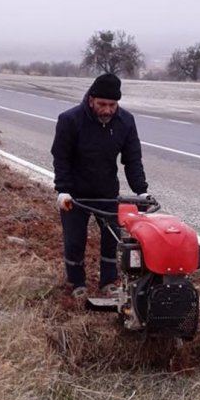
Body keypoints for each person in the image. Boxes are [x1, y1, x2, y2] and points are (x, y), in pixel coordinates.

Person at [51, 73, 148, 298]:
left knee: (111, 240)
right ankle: (76, 284)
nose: (107, 110)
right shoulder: (70, 120)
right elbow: (61, 157)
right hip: (75, 195)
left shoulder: (125, 121)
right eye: (102, 104)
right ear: (91, 99)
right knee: (74, 241)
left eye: (112, 105)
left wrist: (141, 190)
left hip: (107, 194)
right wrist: (62, 189)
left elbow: (132, 158)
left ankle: (108, 282)